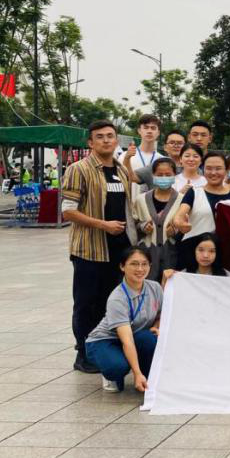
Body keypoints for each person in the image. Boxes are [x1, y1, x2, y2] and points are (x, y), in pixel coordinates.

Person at [61, 120, 134, 373]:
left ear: (116, 140)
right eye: (100, 136)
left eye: (110, 136)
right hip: (90, 250)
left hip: (118, 250)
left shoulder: (121, 170)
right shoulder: (78, 169)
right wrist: (103, 225)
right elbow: (68, 211)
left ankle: (103, 350)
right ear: (90, 142)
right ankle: (83, 354)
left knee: (110, 303)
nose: (106, 140)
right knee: (86, 304)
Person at [84, 246, 162, 393]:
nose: (140, 269)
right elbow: (127, 341)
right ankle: (111, 371)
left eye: (144, 264)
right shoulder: (117, 298)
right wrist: (136, 373)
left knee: (149, 338)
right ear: (122, 266)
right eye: (134, 264)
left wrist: (156, 326)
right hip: (105, 340)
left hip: (134, 336)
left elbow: (161, 315)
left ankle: (146, 377)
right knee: (117, 367)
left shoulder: (155, 288)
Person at [170, 151, 230, 271]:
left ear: (226, 171)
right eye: (209, 168)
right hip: (193, 254)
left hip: (224, 256)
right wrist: (181, 224)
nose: (213, 173)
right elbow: (179, 216)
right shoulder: (194, 192)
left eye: (218, 168)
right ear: (203, 170)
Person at [131, 157, 183, 281]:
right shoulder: (141, 199)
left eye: (168, 175)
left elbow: (187, 226)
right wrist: (143, 227)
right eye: (159, 175)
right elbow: (133, 224)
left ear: (174, 175)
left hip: (172, 255)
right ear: (153, 175)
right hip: (147, 254)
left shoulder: (183, 200)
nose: (164, 177)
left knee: (169, 287)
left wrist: (176, 231)